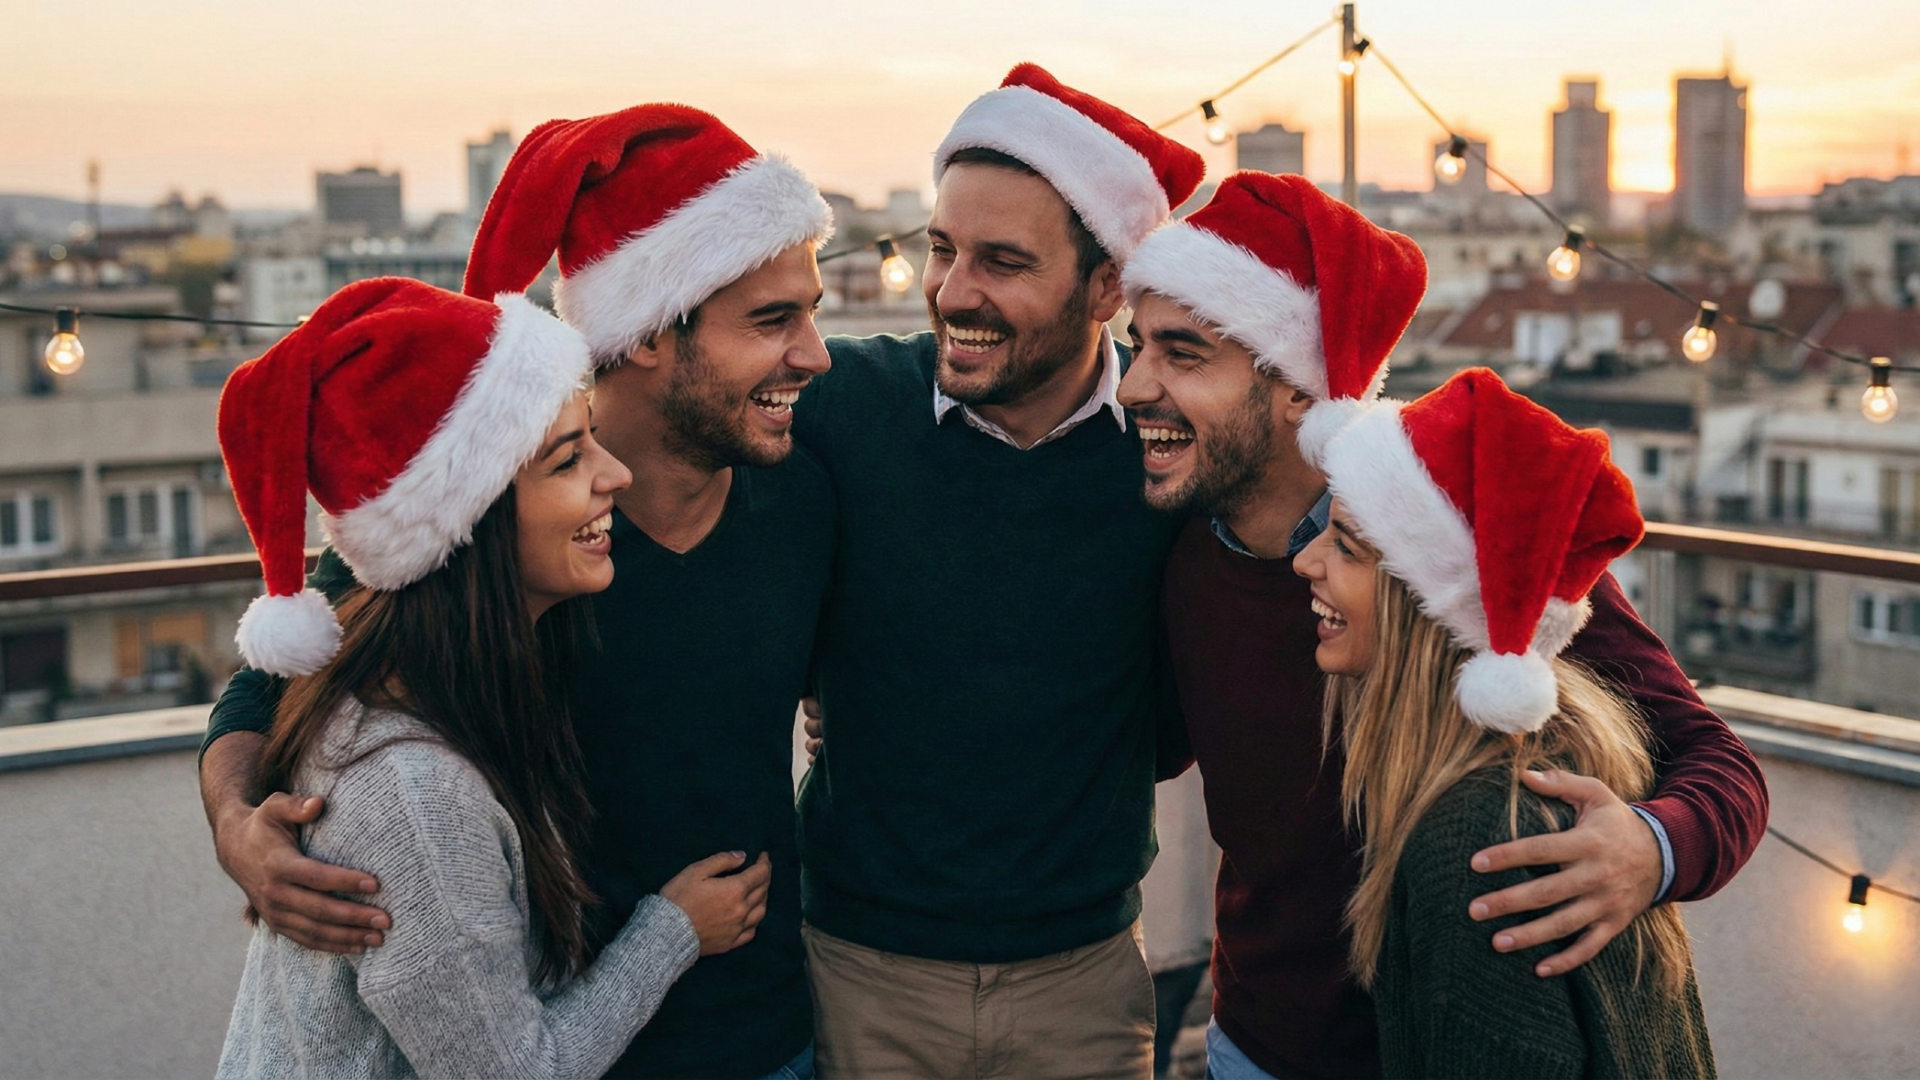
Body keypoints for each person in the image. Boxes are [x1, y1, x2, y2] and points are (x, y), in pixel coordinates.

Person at [198, 107, 838, 1080]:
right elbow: (280, 683)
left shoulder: (807, 482)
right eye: (772, 320)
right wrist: (242, 829)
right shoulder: (480, 516)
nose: (815, 354)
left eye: (814, 310)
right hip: (577, 1043)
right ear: (655, 332)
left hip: (768, 1035)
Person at [1115, 171, 1766, 1077]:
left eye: (1181, 354)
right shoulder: (1179, 548)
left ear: (1297, 390)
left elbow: (1722, 764)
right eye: (1135, 345)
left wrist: (1648, 850)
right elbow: (1149, 740)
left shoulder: (1454, 535)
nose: (1134, 385)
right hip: (1254, 1047)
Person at [792, 64, 1203, 1078]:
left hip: (1086, 984)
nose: (951, 290)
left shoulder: (1168, 445)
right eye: (942, 249)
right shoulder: (847, 405)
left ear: (1108, 286)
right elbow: (609, 465)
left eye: (1002, 262)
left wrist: (1661, 828)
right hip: (858, 970)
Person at [1297, 366, 1715, 1077]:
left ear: (1425, 608)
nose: (1305, 561)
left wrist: (1659, 847)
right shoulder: (1538, 772)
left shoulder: (1479, 843)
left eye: (1346, 545)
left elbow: (1715, 749)